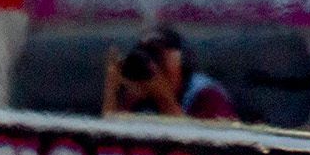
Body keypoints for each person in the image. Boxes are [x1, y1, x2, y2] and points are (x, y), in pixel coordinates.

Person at [102, 28, 239, 121]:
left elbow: (196, 147)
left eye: (159, 57)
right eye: (148, 56)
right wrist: (113, 91)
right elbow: (110, 143)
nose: (154, 66)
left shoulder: (208, 96)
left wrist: (164, 98)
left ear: (183, 63)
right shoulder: (138, 96)